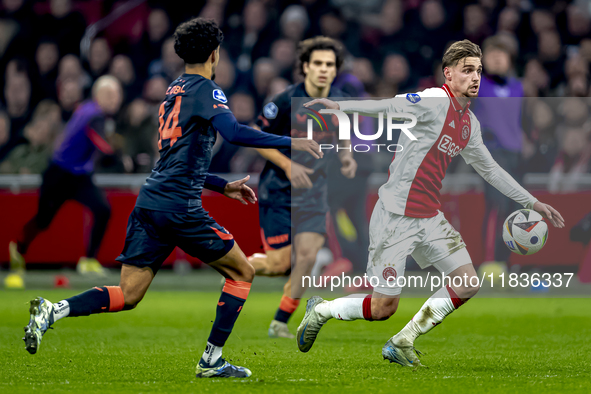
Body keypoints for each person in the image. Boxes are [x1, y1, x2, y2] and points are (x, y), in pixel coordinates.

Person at [22, 18, 321, 379]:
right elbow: (235, 131)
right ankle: (212, 361)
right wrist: (292, 142)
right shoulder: (208, 90)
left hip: (150, 203)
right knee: (242, 271)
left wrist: (221, 185)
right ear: (215, 54)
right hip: (179, 207)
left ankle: (53, 312)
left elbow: (174, 160)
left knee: (128, 294)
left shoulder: (173, 91)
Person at [296, 39, 565, 367]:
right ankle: (323, 309)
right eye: (467, 70)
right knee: (382, 308)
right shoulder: (434, 100)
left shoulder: (469, 124)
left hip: (428, 216)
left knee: (467, 282)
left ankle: (403, 340)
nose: (475, 77)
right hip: (395, 216)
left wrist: (533, 203)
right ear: (449, 74)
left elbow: (492, 170)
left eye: (479, 70)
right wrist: (343, 107)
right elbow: (387, 107)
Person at [248, 36, 357, 338]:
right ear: (306, 67)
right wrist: (287, 165)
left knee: (307, 257)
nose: (324, 69)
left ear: (336, 70)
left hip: (313, 192)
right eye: (318, 63)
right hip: (278, 190)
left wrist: (347, 157)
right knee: (279, 264)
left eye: (330, 65)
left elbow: (343, 133)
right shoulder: (284, 101)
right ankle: (243, 265)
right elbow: (256, 136)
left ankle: (280, 322)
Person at [9, 76, 121, 279]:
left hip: (79, 175)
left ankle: (89, 260)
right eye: (111, 95)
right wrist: (118, 158)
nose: (116, 99)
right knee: (43, 220)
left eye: (117, 95)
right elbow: (102, 145)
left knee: (103, 209)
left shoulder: (88, 110)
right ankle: (18, 247)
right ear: (99, 95)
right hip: (59, 174)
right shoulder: (94, 114)